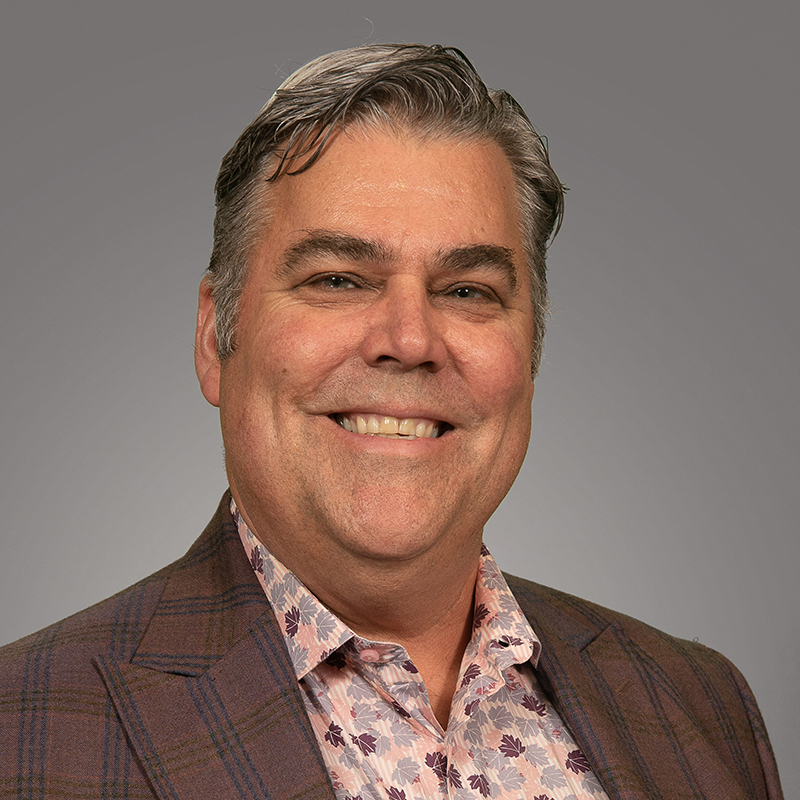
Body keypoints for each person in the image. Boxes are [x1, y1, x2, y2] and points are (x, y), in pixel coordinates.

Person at [0, 44, 783, 800]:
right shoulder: (23, 729)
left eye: (468, 291)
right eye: (339, 279)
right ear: (215, 337)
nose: (409, 341)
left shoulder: (699, 704)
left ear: (531, 352)